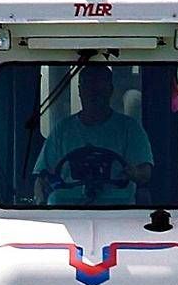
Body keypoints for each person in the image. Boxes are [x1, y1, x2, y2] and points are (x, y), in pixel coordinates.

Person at [32, 64, 153, 205]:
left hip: (118, 207)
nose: (93, 94)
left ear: (110, 90)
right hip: (66, 208)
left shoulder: (130, 129)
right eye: (88, 88)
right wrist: (40, 199)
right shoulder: (62, 130)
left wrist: (135, 173)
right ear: (80, 91)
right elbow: (42, 176)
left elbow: (145, 173)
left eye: (99, 89)